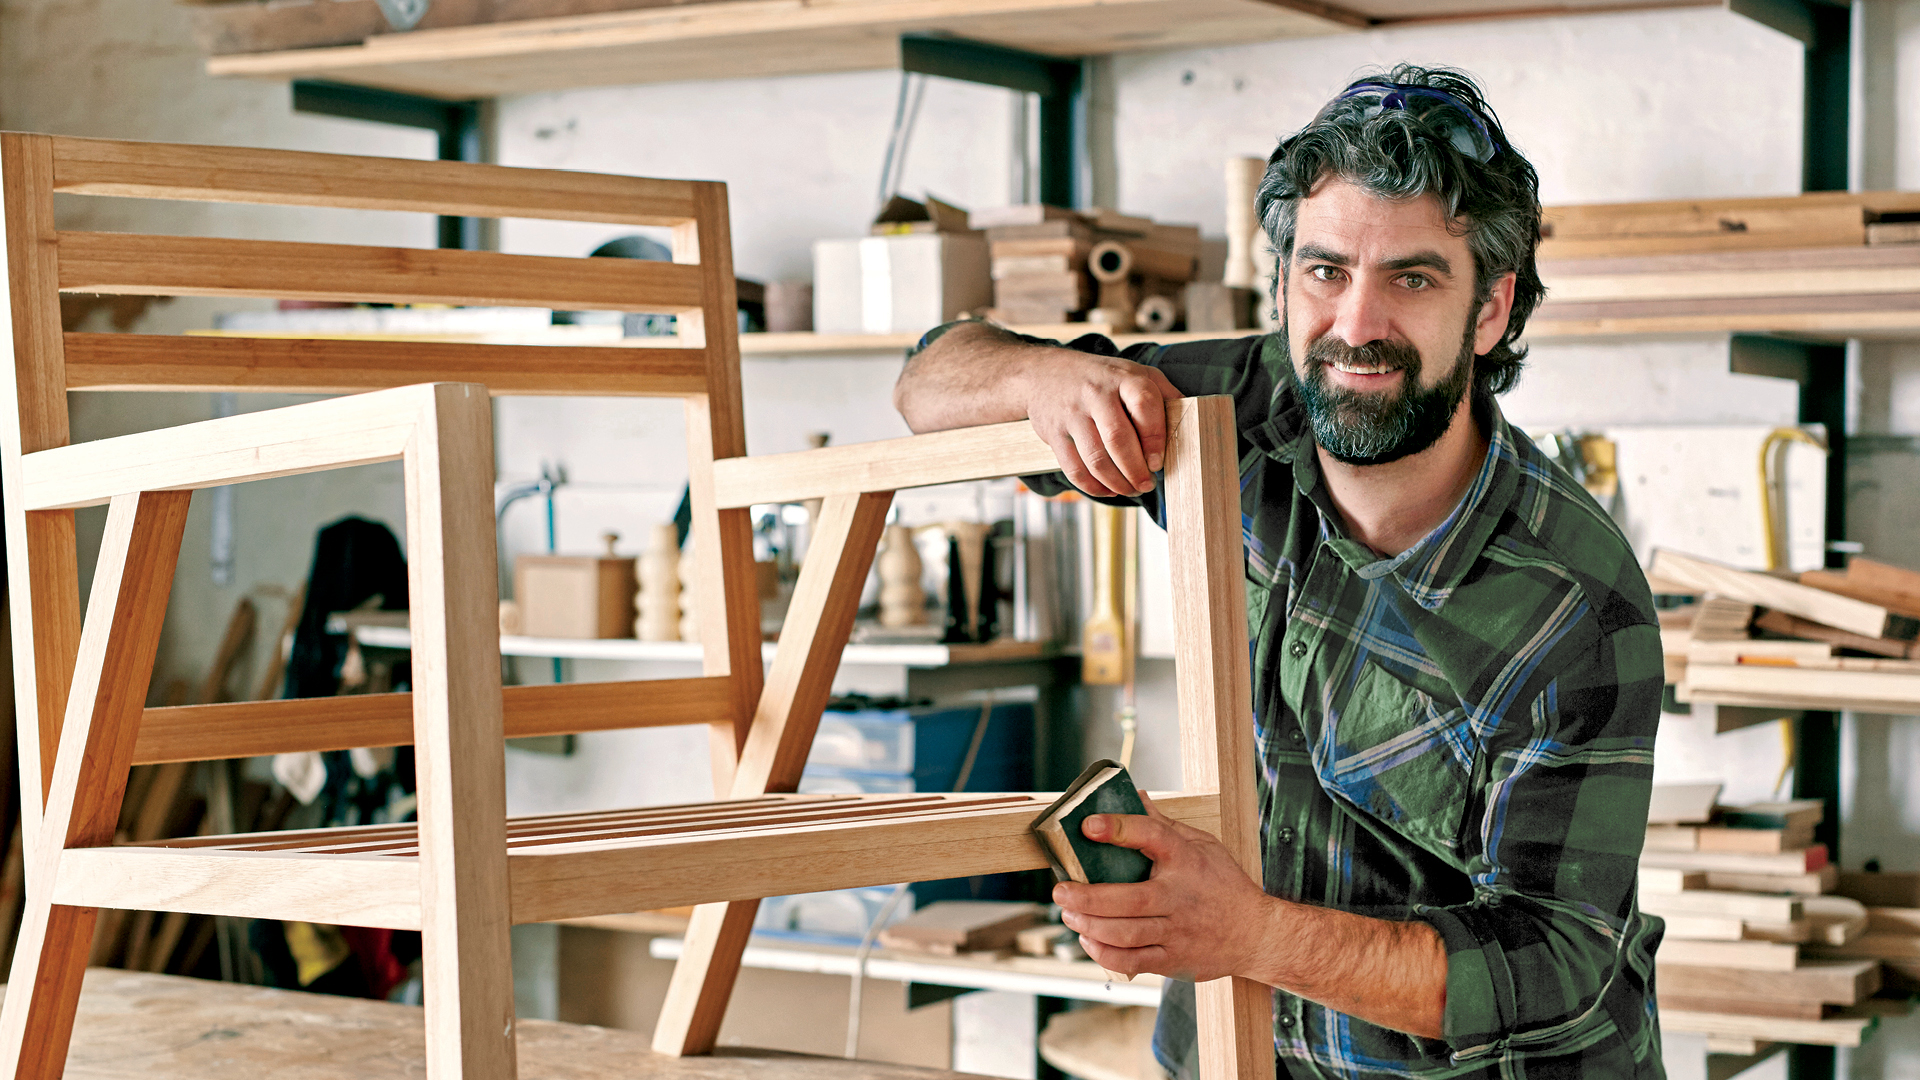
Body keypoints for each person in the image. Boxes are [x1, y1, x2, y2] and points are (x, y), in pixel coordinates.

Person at [893, 65, 1665, 1079]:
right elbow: (926, 382)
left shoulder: (1573, 605)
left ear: (1489, 310)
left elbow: (1555, 967)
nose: (1355, 325)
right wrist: (1048, 377)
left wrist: (1248, 933)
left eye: (1413, 278)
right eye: (1325, 271)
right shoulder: (1236, 415)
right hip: (1234, 1053)